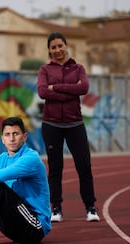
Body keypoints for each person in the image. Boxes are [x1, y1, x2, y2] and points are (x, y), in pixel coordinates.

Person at [37, 32, 100, 223]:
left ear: (66, 46)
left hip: (75, 124)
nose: (57, 50)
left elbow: (84, 88)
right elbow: (41, 92)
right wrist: (69, 89)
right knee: (55, 168)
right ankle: (56, 208)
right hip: (51, 125)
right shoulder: (45, 70)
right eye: (53, 47)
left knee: (84, 166)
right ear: (49, 50)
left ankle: (90, 207)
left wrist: (55, 88)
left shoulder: (78, 68)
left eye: (60, 46)